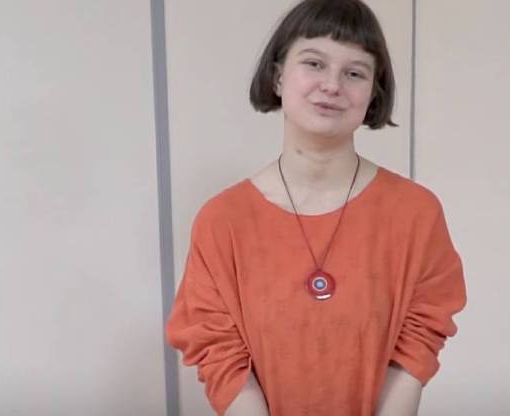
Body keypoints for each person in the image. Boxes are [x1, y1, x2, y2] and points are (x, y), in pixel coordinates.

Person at [165, 0, 467, 414]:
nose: (332, 85)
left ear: (373, 93)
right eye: (314, 64)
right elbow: (218, 352)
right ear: (277, 76)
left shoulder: (416, 214)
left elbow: (417, 344)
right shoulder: (223, 221)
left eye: (355, 73)